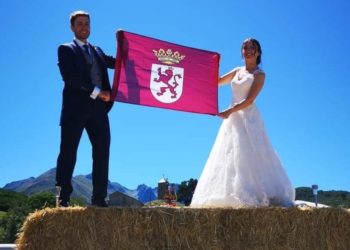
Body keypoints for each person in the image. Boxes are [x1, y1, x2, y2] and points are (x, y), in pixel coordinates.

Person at [191, 38, 295, 208]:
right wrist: (216, 64)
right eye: (245, 47)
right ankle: (232, 194)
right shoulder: (237, 70)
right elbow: (216, 82)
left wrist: (229, 111)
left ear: (258, 52)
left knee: (250, 153)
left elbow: (250, 100)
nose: (248, 50)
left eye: (252, 47)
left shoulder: (259, 74)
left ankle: (255, 194)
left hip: (248, 118)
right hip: (232, 118)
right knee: (230, 154)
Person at [55, 10, 116, 207]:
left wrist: (126, 45)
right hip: (75, 109)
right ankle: (62, 197)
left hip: (99, 110)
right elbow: (71, 78)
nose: (84, 27)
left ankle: (99, 198)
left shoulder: (97, 50)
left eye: (87, 24)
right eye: (80, 24)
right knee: (68, 151)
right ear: (72, 27)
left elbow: (117, 63)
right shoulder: (65, 49)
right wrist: (98, 92)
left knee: (102, 151)